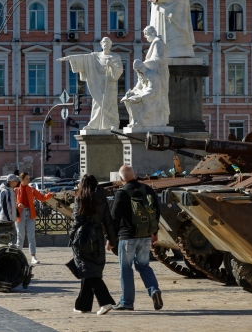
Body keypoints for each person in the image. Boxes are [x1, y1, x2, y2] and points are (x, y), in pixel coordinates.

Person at [111, 165, 163, 311]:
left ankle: (127, 302)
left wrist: (110, 238)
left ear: (121, 178)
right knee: (144, 266)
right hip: (145, 236)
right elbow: (156, 212)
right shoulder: (147, 189)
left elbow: (114, 218)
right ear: (134, 174)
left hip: (127, 237)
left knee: (126, 269)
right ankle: (154, 290)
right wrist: (154, 232)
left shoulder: (121, 193)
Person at [70, 174, 118, 315]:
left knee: (89, 271)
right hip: (97, 236)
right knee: (88, 269)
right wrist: (111, 240)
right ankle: (82, 305)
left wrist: (72, 238)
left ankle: (105, 302)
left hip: (83, 236)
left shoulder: (80, 199)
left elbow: (76, 221)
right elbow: (108, 221)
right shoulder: (102, 198)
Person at [57, 37, 123, 131]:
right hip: (97, 83)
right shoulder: (95, 56)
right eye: (104, 42)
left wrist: (111, 65)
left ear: (111, 44)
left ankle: (113, 123)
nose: (106, 44)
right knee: (97, 103)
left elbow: (119, 70)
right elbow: (84, 58)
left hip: (109, 84)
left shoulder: (115, 57)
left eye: (108, 42)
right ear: (101, 44)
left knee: (111, 103)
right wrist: (71, 58)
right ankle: (94, 124)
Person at [15, 172, 53, 264]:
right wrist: (18, 204)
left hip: (30, 213)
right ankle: (17, 257)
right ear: (22, 179)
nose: (29, 180)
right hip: (20, 214)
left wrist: (50, 194)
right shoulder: (16, 190)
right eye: (27, 179)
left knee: (31, 236)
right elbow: (11, 201)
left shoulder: (31, 189)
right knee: (20, 236)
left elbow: (41, 197)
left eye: (29, 178)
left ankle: (33, 257)